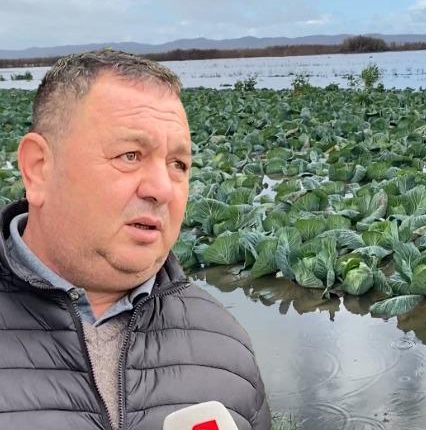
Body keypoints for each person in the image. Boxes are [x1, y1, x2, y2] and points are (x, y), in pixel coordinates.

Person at [0, 50, 271, 429]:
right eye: (130, 155)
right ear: (39, 169)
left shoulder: (226, 346)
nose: (162, 188)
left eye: (178, 165)